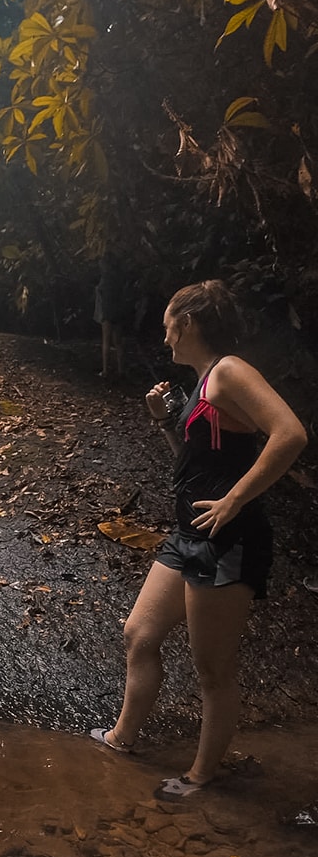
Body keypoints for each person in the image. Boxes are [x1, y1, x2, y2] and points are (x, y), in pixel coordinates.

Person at [90, 280, 307, 799]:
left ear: (187, 323)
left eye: (168, 326)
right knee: (139, 633)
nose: (165, 336)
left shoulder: (230, 370)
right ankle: (121, 739)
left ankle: (201, 776)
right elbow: (193, 465)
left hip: (228, 539)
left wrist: (234, 499)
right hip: (189, 533)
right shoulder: (204, 381)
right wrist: (165, 422)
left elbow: (291, 434)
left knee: (213, 669)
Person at [95, 254, 132, 379]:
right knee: (118, 342)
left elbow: (100, 294)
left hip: (107, 313)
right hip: (119, 312)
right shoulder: (119, 278)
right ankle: (121, 370)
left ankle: (105, 370)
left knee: (106, 341)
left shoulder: (105, 279)